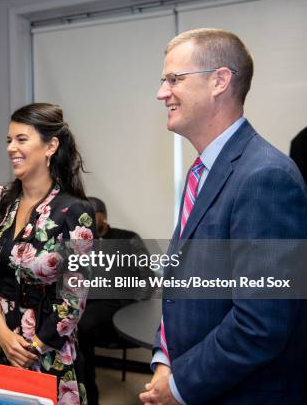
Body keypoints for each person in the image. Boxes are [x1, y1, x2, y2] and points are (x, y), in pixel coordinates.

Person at [139, 29, 307, 404]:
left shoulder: (267, 177)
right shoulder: (200, 173)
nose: (161, 92)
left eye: (174, 79)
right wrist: (165, 356)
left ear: (219, 81)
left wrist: (180, 384)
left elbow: (261, 323)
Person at [0, 103, 96, 405]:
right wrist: (2, 334)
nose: (11, 148)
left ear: (50, 146)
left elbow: (74, 299)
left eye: (21, 139)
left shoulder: (74, 211)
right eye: (8, 140)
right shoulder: (1, 201)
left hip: (46, 353)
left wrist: (30, 348)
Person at [79, 196, 151, 405]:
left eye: (92, 216)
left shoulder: (128, 239)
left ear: (103, 216)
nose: (88, 221)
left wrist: (135, 309)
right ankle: (85, 392)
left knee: (82, 326)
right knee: (71, 325)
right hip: (88, 305)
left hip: (120, 306)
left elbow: (148, 279)